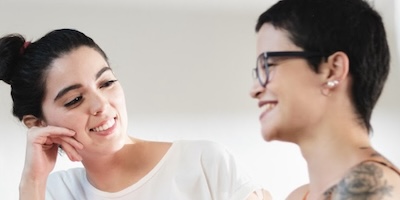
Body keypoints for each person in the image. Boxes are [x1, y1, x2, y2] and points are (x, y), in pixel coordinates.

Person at [0, 28, 271, 200]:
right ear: (38, 124)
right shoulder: (54, 193)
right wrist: (32, 181)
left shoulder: (204, 163)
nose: (101, 105)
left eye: (106, 83)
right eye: (75, 99)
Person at [249, 0, 400, 199]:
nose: (255, 90)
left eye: (269, 66)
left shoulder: (371, 187)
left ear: (332, 70)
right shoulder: (300, 196)